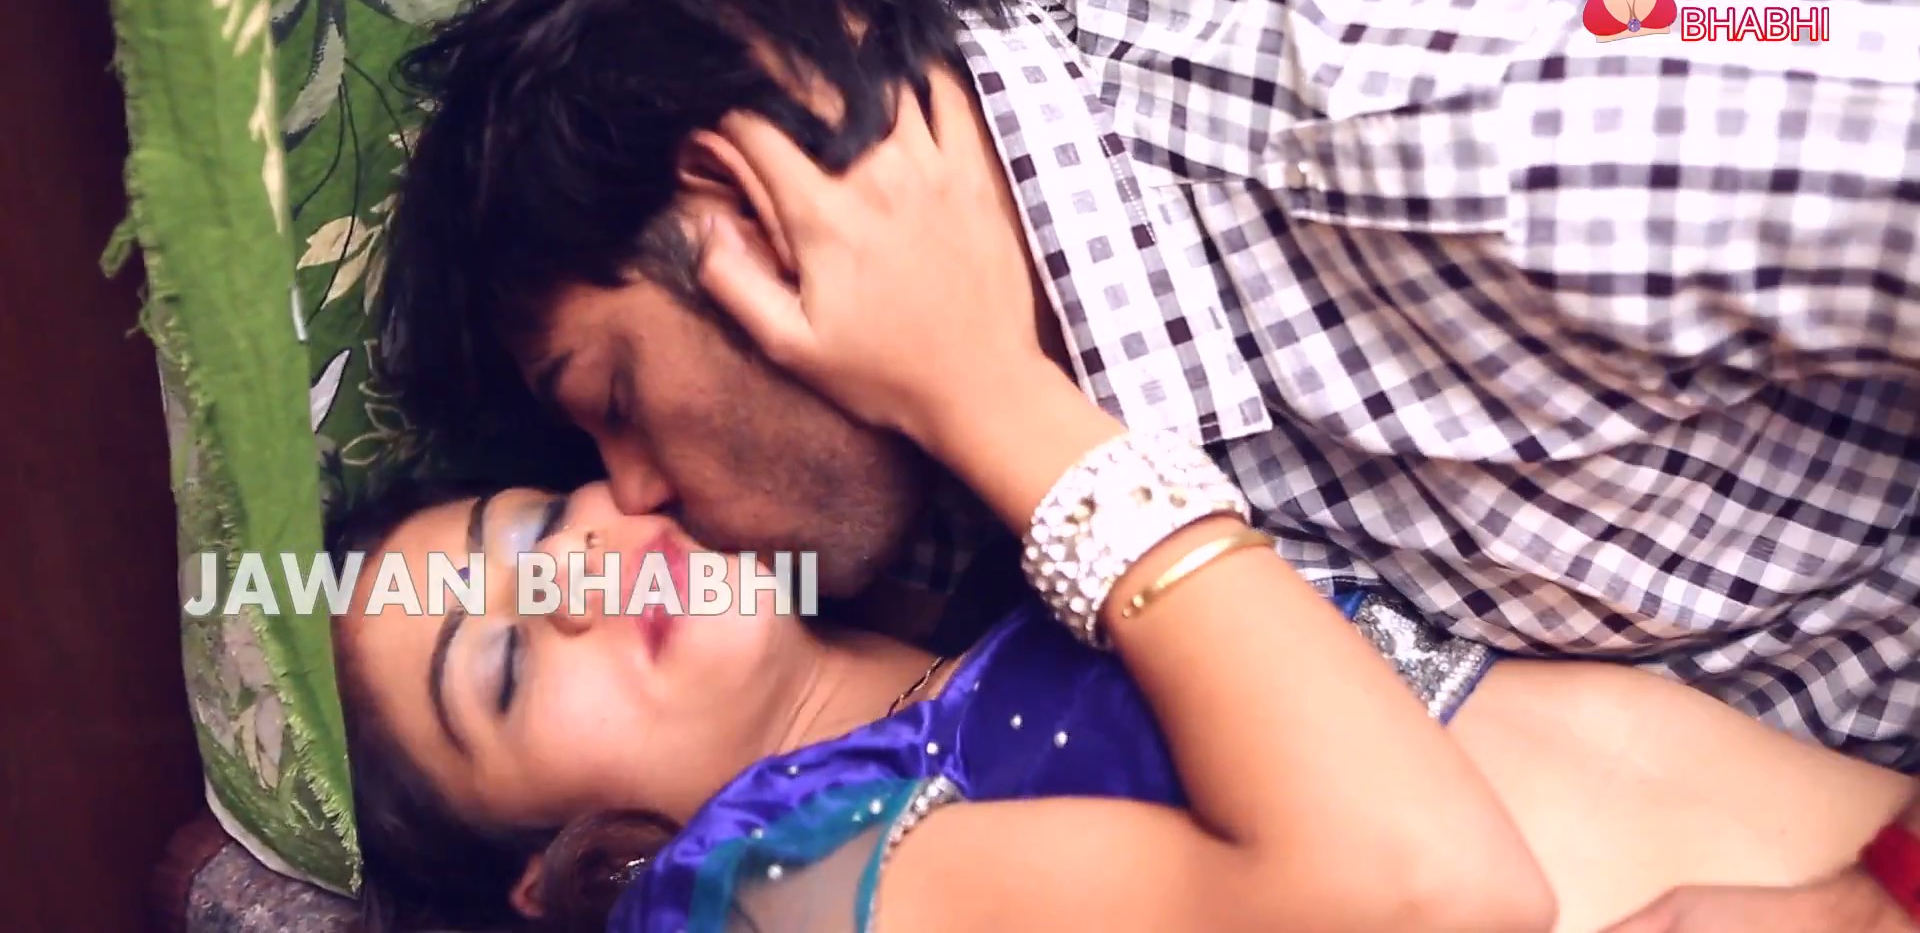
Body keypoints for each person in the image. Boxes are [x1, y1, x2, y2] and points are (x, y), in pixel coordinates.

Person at [374, 0, 1920, 928]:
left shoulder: (1457, 107)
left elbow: (1764, 20)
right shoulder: (886, 568)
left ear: (760, 212)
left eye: (611, 398)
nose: (628, 500)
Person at [329, 477, 1910, 933]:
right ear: (542, 871)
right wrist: (986, 392)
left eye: (538, 531)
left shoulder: (986, 601)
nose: (574, 585)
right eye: (504, 666)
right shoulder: (749, 891)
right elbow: (1434, 894)